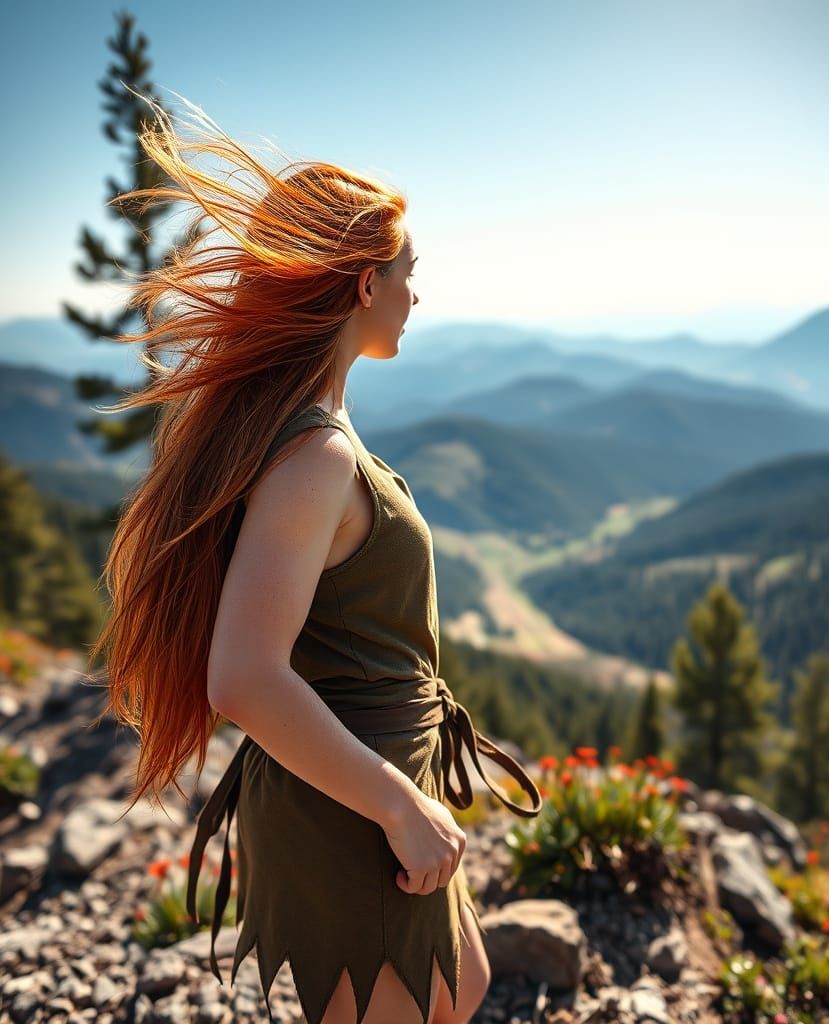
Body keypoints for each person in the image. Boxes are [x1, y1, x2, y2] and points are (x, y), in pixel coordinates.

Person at [86, 93, 542, 1024]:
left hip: (353, 791)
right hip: (350, 806)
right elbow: (245, 677)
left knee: (463, 988)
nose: (420, 292)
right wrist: (397, 807)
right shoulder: (315, 456)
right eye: (411, 271)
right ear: (366, 286)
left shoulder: (309, 433)